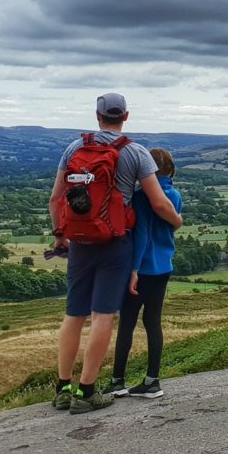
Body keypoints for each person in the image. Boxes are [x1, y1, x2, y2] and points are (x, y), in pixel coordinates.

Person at [48, 94, 183, 414]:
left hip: (80, 242)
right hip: (116, 243)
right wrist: (178, 221)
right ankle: (87, 392)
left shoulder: (73, 148)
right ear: (125, 115)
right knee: (103, 316)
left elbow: (55, 199)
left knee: (74, 315)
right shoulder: (135, 152)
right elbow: (159, 203)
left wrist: (60, 238)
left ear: (97, 116)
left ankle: (63, 388)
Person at [107, 147, 182, 397]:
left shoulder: (141, 197)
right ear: (171, 169)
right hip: (164, 267)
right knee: (153, 322)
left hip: (142, 268)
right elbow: (172, 227)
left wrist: (134, 268)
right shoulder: (176, 195)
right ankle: (152, 381)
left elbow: (141, 235)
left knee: (127, 323)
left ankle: (118, 381)